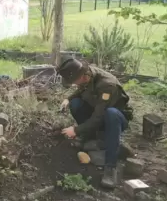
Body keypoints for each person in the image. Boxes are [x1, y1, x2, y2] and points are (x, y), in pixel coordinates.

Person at [57, 58, 133, 189]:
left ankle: (110, 167)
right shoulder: (87, 74)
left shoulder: (106, 85)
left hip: (115, 118)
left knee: (111, 114)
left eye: (74, 82)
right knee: (75, 103)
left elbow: (99, 117)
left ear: (83, 77)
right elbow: (82, 90)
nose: (74, 85)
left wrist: (76, 130)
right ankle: (91, 139)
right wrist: (67, 99)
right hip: (99, 111)